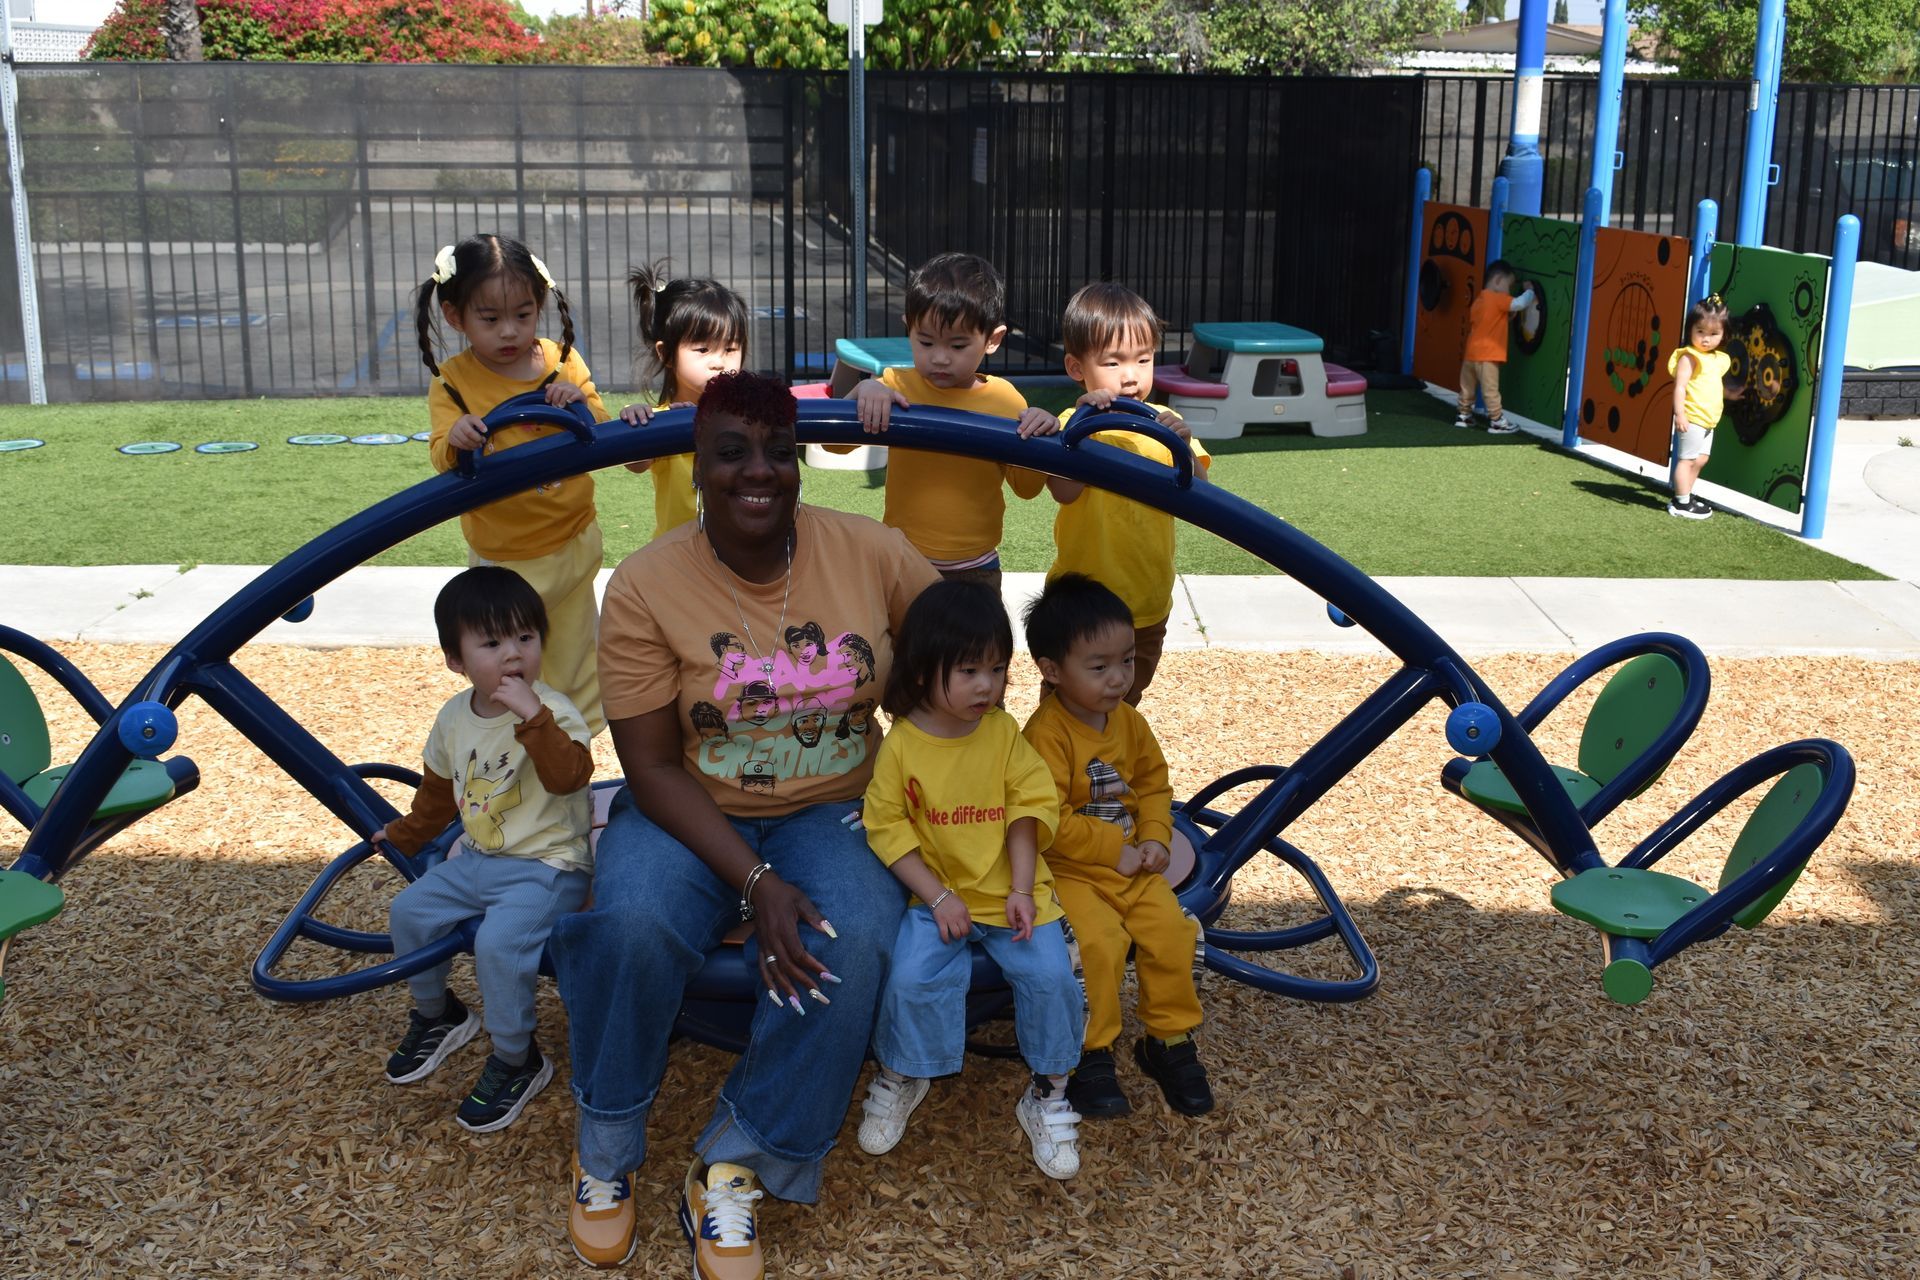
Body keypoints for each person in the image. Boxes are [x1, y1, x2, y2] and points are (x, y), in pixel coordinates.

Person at [549, 371, 940, 1276]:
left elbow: (962, 656)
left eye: (778, 451)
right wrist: (756, 885)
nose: (757, 471)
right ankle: (606, 1148)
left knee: (852, 936)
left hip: (839, 801)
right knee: (630, 923)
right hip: (691, 807)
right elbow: (646, 768)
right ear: (696, 464)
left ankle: (740, 1158)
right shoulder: (647, 585)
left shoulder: (871, 552)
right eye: (732, 452)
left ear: (801, 463)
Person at [853, 580, 1086, 1181]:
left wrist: (1021, 889)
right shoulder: (904, 745)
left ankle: (1050, 1090)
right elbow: (887, 828)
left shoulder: (1004, 735)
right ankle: (904, 1072)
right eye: (969, 670)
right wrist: (938, 896)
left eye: (998, 668)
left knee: (1052, 977)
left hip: (1013, 895)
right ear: (926, 670)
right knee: (909, 977)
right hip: (937, 897)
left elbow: (1027, 810)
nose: (988, 685)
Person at [371, 566, 594, 1134]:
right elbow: (439, 793)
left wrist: (532, 719)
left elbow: (570, 778)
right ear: (457, 660)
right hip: (477, 858)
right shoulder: (454, 717)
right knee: (409, 912)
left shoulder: (554, 712)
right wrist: (405, 835)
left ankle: (518, 1059)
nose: (513, 654)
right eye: (492, 642)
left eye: (526, 637)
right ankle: (438, 1013)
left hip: (547, 868)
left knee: (499, 944)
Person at [1022, 573, 1214, 1120]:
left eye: (1127, 661)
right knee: (1098, 945)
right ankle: (1092, 1051)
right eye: (1099, 666)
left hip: (1132, 865)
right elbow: (1045, 819)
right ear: (1052, 671)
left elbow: (1154, 786)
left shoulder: (1129, 722)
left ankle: (1167, 1040)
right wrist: (1115, 850)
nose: (1118, 678)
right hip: (1070, 872)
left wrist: (1154, 838)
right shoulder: (1046, 735)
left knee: (1173, 933)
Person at [417, 233, 612, 735]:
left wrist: (577, 402)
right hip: (505, 562)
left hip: (571, 544)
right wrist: (458, 438)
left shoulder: (559, 360)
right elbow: (442, 452)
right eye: (491, 319)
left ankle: (577, 756)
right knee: (508, 669)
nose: (509, 332)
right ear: (454, 315)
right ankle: (512, 763)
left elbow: (601, 427)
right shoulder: (454, 382)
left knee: (574, 665)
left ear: (540, 307)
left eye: (523, 316)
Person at [828, 251, 1060, 595]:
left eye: (957, 345)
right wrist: (864, 390)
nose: (939, 356)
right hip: (904, 561)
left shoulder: (1005, 401)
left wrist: (1041, 431)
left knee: (978, 650)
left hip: (976, 569)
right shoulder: (896, 385)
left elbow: (1027, 488)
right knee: (901, 647)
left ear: (992, 340)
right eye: (925, 342)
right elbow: (835, 443)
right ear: (910, 329)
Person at [1045, 282, 1213, 704]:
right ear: (1076, 367)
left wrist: (1186, 452)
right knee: (1065, 700)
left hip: (1147, 602)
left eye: (1143, 359)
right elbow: (1063, 491)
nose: (1131, 375)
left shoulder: (1167, 422)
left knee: (1122, 699)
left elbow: (1203, 498)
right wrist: (1084, 424)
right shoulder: (1073, 423)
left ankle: (1107, 764)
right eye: (1113, 362)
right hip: (1082, 604)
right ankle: (1051, 766)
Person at [617, 263, 750, 540]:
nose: (719, 362)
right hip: (677, 561)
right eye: (703, 349)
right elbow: (635, 463)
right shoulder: (660, 421)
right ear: (666, 354)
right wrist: (636, 421)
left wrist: (865, 389)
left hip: (741, 554)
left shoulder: (750, 412)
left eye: (730, 348)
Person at [1666, 294, 1736, 521]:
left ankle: (1685, 494)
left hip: (1708, 420)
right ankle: (1681, 502)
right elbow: (1680, 387)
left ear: (1724, 334)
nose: (1706, 339)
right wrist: (1680, 413)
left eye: (1714, 334)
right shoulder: (1690, 357)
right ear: (1690, 330)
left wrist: (1731, 394)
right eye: (1700, 332)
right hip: (1693, 417)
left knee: (1701, 459)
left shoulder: (1718, 358)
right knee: (1686, 460)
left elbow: (1712, 384)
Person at [1456, 258, 1537, 435]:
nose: (1509, 291)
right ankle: (1497, 420)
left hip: (1470, 355)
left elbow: (1489, 322)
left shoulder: (1480, 300)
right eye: (1509, 286)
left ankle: (1464, 415)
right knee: (1490, 389)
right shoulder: (1497, 298)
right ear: (1498, 281)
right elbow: (1519, 303)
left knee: (1467, 388)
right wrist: (1530, 291)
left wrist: (1508, 316)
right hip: (1488, 355)